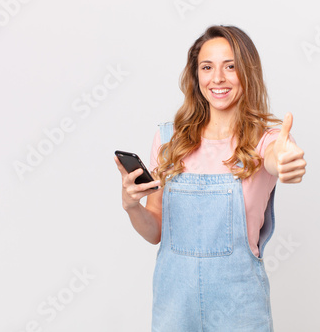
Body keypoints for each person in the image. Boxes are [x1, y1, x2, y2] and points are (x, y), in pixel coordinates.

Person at [114, 25, 306, 332]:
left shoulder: (265, 141)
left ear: (248, 72)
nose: (218, 78)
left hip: (240, 309)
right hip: (174, 308)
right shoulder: (168, 140)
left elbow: (277, 156)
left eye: (230, 66)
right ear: (196, 76)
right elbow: (155, 231)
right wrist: (131, 206)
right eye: (207, 67)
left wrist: (286, 160)